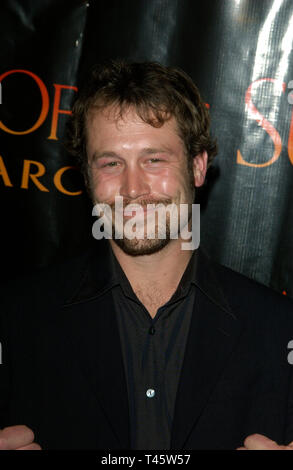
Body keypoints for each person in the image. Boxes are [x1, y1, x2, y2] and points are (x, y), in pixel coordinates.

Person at [0, 60, 293, 451]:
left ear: (197, 166)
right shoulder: (15, 319)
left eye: (154, 160)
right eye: (110, 163)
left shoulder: (278, 330)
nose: (133, 187)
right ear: (87, 178)